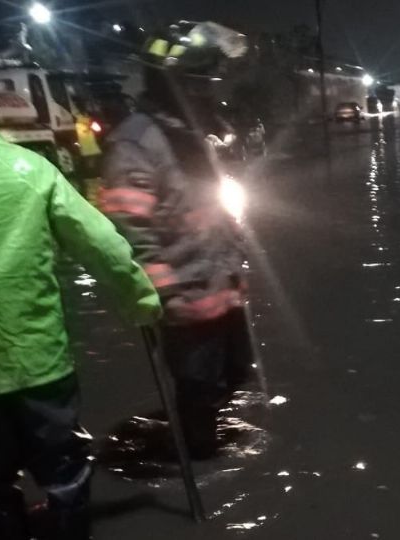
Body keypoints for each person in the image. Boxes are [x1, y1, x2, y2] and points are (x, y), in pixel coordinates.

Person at [0, 131, 161, 539]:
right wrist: (139, 302)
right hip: (38, 360)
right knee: (63, 471)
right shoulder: (29, 169)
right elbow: (102, 245)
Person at [100, 21, 254, 460]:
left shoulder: (195, 132)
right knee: (199, 388)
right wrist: (163, 293)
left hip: (221, 286)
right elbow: (129, 231)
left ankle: (200, 428)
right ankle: (197, 449)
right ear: (173, 82)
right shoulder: (136, 143)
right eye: (199, 81)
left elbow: (217, 200)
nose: (208, 91)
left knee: (235, 374)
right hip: (185, 297)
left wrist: (236, 248)